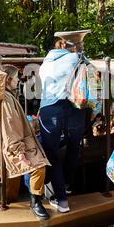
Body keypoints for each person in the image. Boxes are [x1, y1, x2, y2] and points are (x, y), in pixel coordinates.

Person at [0, 64, 51, 220]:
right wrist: (19, 152)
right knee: (38, 166)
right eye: (16, 78)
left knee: (20, 170)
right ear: (8, 80)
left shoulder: (1, 95)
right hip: (10, 147)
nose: (18, 81)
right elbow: (9, 130)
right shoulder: (6, 99)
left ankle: (14, 199)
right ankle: (35, 201)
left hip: (6, 145)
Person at [38, 40, 86, 213]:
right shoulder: (77, 57)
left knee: (52, 155)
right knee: (74, 147)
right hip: (75, 108)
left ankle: (62, 201)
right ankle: (67, 185)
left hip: (49, 111)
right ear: (70, 48)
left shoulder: (45, 63)